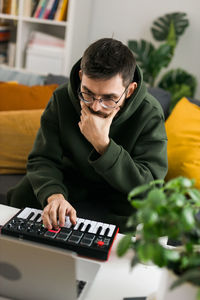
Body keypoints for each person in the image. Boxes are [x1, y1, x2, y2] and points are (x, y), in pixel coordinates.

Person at [7, 38, 168, 233]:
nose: (95, 106)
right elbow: (42, 159)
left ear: (130, 90)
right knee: (23, 194)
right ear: (81, 76)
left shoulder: (149, 112)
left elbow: (150, 186)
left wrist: (103, 145)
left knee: (144, 218)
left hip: (121, 194)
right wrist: (55, 196)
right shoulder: (62, 99)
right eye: (87, 93)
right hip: (70, 184)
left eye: (109, 98)